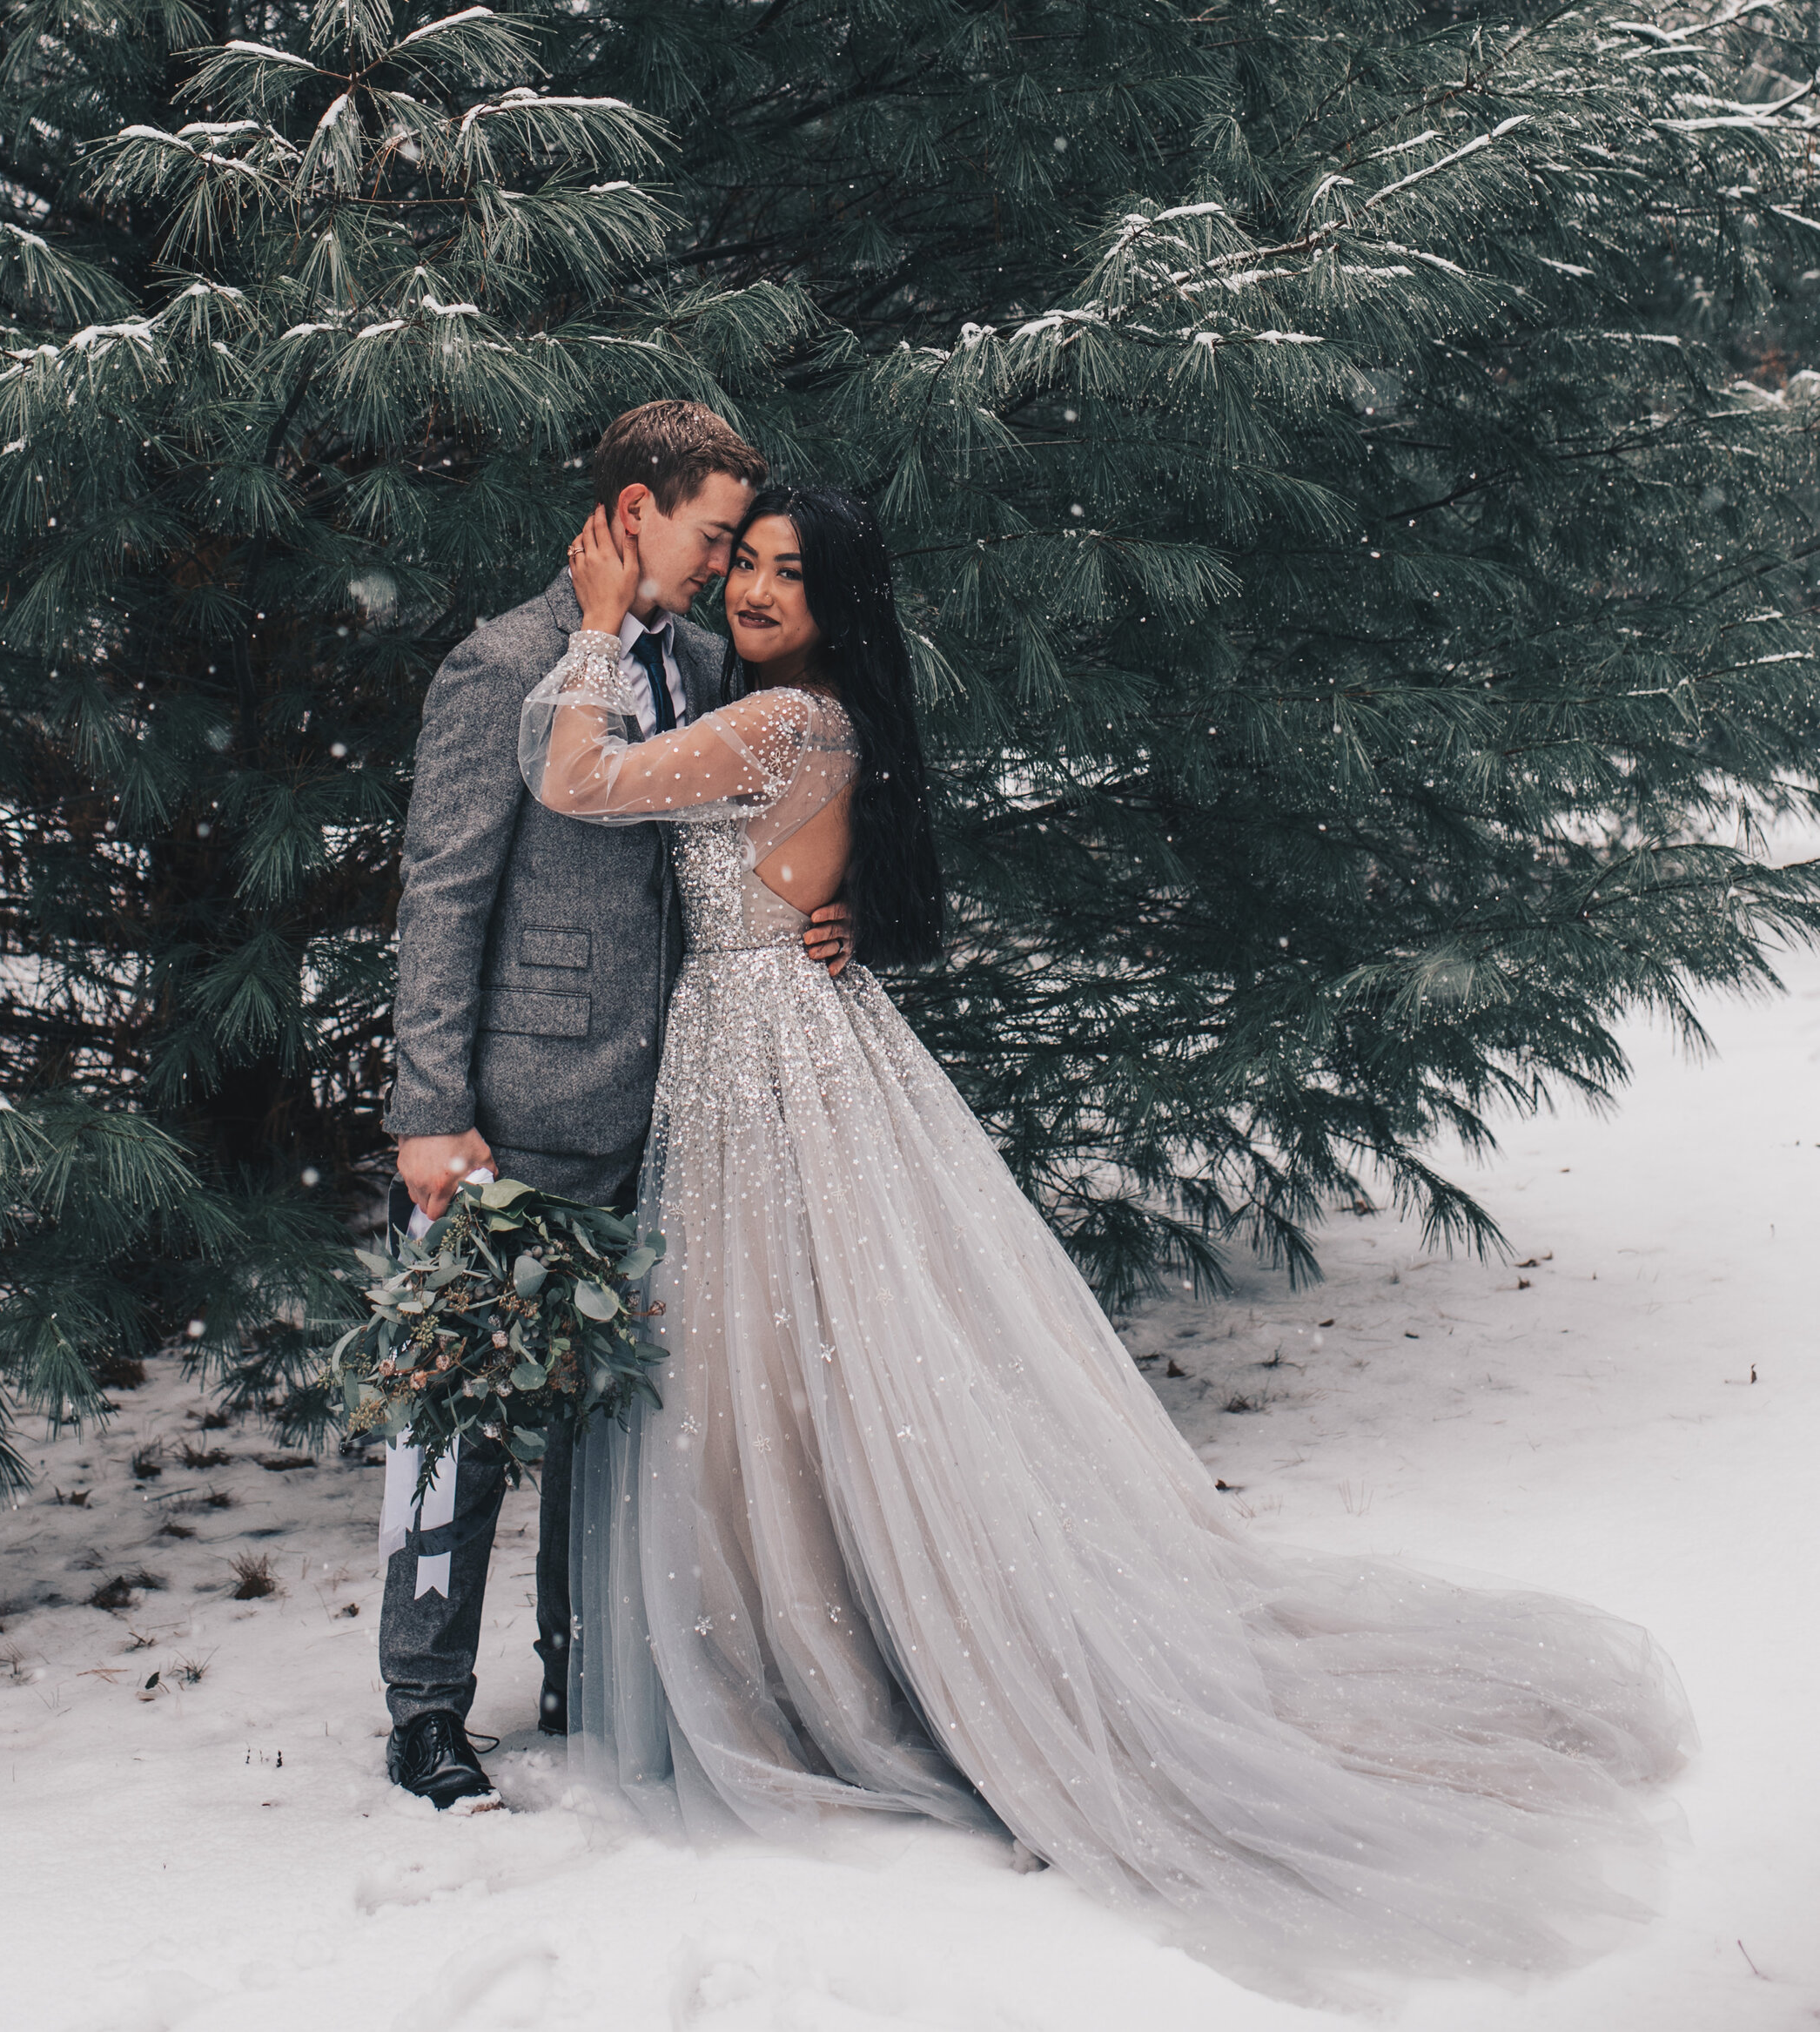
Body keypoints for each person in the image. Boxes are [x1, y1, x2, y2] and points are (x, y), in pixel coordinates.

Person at [519, 483, 1695, 1992]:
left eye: (788, 573)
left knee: (798, 1360)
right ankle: (821, 1616)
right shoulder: (790, 717)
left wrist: (607, 624)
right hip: (766, 1048)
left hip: (772, 1066)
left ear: (835, 605)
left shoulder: (784, 723)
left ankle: (845, 1643)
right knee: (790, 1366)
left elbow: (579, 783)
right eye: (744, 561)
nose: (755, 588)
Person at [379, 402, 851, 1810]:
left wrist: (835, 916)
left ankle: (583, 1666)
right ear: (635, 507)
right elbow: (444, 895)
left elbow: (756, 833)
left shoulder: (713, 667)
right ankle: (423, 1709)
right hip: (512, 1110)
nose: (724, 567)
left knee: (614, 1423)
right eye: (713, 535)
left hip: (672, 1109)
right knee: (452, 1417)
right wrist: (426, 1105)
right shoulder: (502, 662)